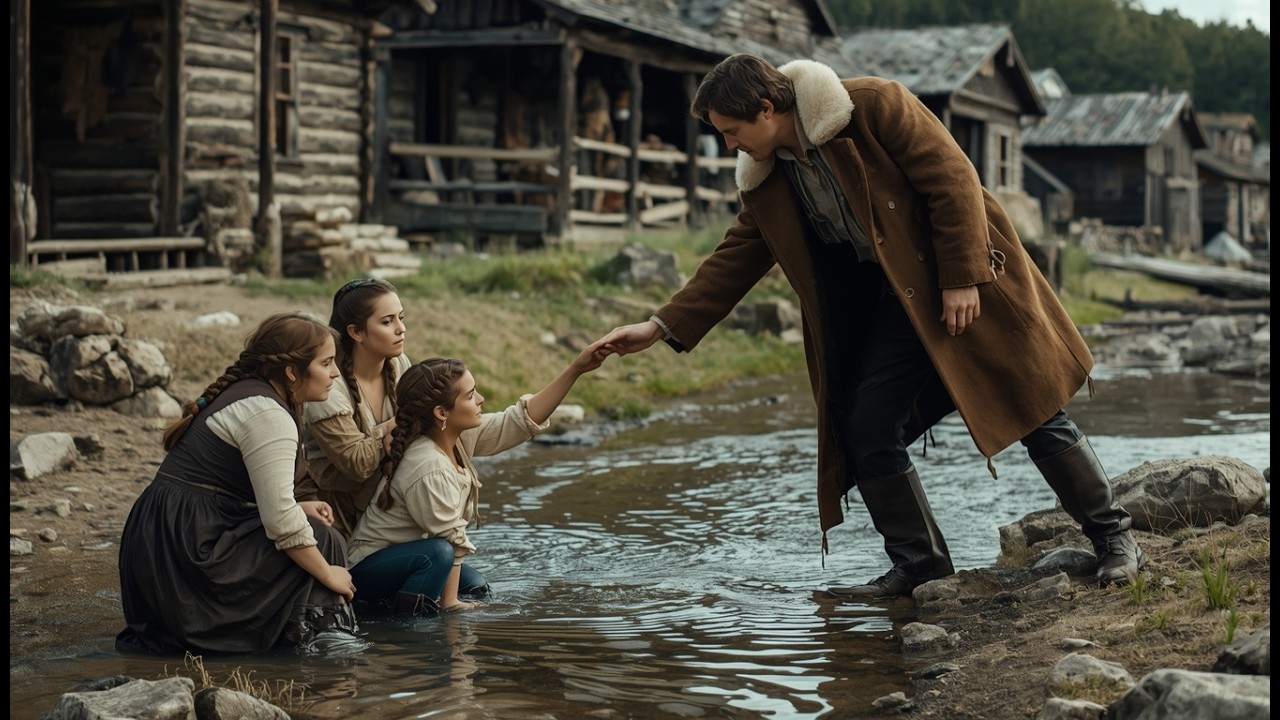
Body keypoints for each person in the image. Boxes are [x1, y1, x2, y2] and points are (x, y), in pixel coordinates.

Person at [598, 53, 1145, 599]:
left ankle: (1115, 539)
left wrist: (961, 276)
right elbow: (740, 252)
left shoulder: (875, 104)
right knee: (866, 425)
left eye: (731, 131)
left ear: (766, 109)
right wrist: (660, 325)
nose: (729, 147)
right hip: (894, 302)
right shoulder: (766, 176)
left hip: (965, 276)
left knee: (1031, 403)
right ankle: (922, 569)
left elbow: (953, 177)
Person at [117, 312, 360, 654]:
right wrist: (329, 575)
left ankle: (311, 638)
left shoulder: (256, 395)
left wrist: (298, 507)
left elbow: (232, 490)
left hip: (172, 533)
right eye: (326, 363)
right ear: (292, 372)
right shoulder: (268, 414)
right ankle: (324, 648)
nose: (335, 372)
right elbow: (280, 523)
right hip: (185, 549)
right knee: (321, 540)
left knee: (313, 528)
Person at [347, 340, 613, 615]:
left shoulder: (455, 436)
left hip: (418, 557)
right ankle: (408, 627)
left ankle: (421, 609)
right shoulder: (427, 463)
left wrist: (577, 368)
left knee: (476, 587)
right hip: (368, 575)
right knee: (438, 554)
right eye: (470, 395)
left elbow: (519, 422)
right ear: (441, 413)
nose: (480, 399)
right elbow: (450, 538)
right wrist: (451, 604)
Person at [296, 278, 412, 540]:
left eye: (401, 318)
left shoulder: (398, 364)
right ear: (356, 332)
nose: (401, 329)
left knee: (469, 579)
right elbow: (357, 463)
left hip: (387, 509)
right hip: (334, 519)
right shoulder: (327, 386)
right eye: (387, 321)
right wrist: (401, 422)